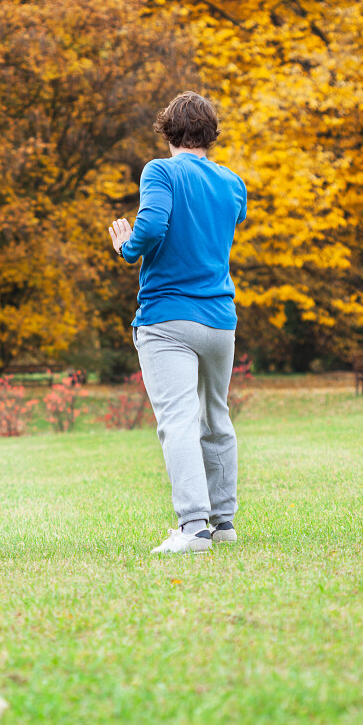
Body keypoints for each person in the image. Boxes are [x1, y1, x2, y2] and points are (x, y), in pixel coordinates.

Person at [108, 92, 248, 554]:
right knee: (215, 418)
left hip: (168, 317)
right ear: (210, 134)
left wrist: (127, 247)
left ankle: (193, 528)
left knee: (178, 420)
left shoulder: (161, 171)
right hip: (220, 320)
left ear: (167, 132)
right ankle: (223, 522)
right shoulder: (232, 183)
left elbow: (150, 227)